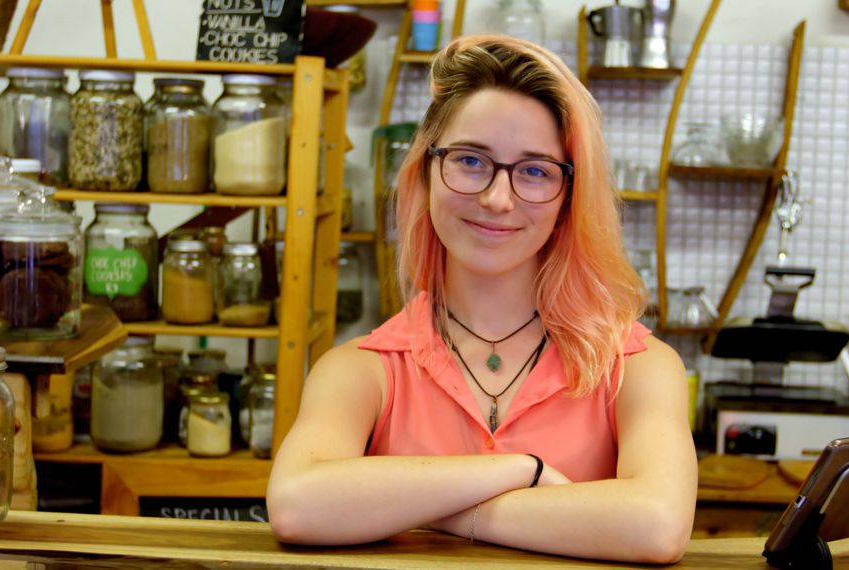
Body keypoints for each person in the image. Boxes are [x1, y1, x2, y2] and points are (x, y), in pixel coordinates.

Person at [267, 34, 697, 564]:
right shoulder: (361, 372)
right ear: (426, 172)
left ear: (568, 198)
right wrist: (524, 470)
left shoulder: (639, 368)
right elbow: (296, 505)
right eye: (470, 161)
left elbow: (656, 526)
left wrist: (423, 507)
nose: (497, 198)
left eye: (535, 171)